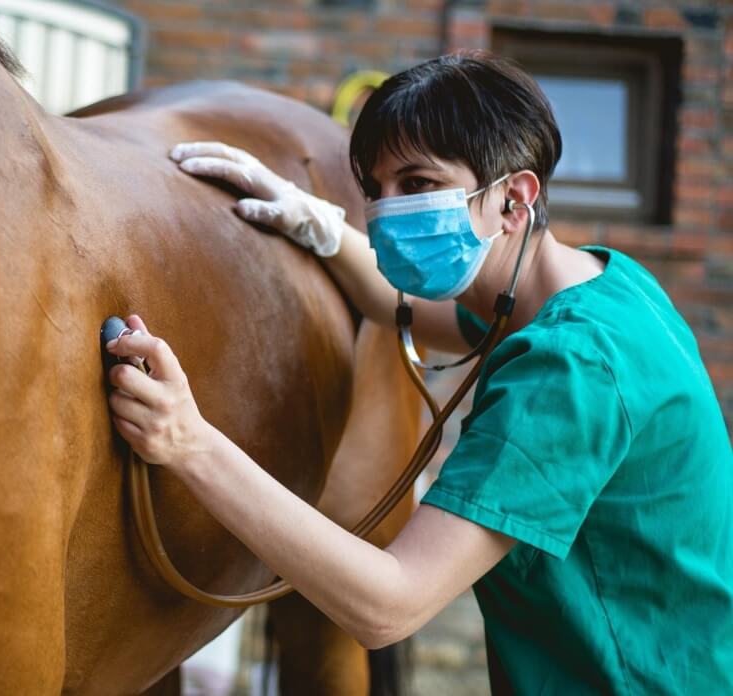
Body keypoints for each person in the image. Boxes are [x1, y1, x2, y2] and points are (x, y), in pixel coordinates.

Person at [104, 52, 733, 693]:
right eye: (375, 190)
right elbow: (407, 309)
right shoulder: (603, 286)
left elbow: (389, 605)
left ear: (513, 201)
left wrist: (190, 443)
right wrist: (317, 223)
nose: (385, 212)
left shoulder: (571, 370)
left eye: (418, 184)